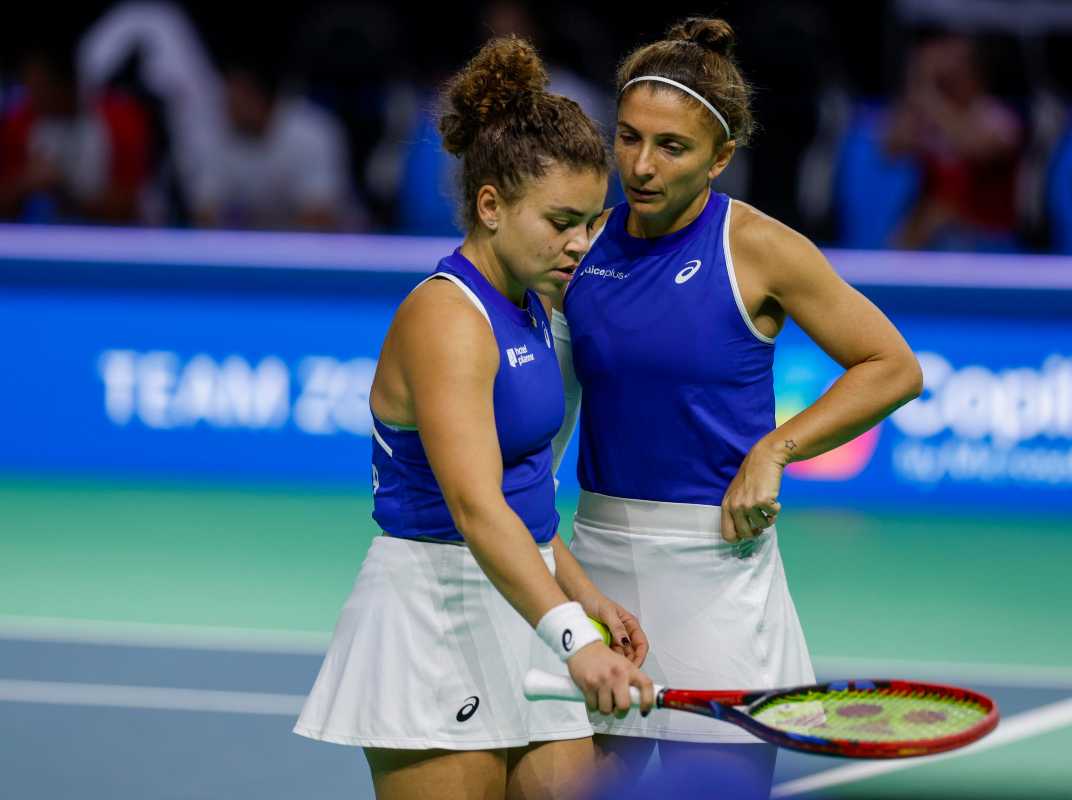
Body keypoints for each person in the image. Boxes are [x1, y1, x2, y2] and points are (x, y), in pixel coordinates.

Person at [552, 18, 923, 797]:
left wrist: (774, 450)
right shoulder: (579, 244)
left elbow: (891, 365)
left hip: (717, 573)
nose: (641, 166)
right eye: (628, 139)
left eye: (672, 147)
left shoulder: (757, 247)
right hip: (596, 565)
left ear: (721, 158)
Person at [294, 36, 653, 800]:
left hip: (523, 596)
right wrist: (572, 636)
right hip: (436, 615)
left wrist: (584, 596)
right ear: (490, 205)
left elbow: (527, 498)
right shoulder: (447, 318)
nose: (581, 244)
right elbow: (475, 506)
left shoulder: (529, 311)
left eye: (591, 221)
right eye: (561, 221)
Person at [883, 33, 1023, 252]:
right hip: (933, 238)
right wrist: (918, 81)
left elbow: (974, 147)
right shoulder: (930, 118)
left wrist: (930, 97)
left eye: (957, 68)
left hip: (987, 242)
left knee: (943, 219)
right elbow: (891, 147)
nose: (950, 76)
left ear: (976, 73)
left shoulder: (999, 119)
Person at [191, 55, 356, 231]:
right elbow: (205, 214)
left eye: (235, 96)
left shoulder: (312, 132)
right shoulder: (216, 133)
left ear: (257, 97)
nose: (226, 104)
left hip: (329, 248)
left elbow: (320, 216)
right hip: (250, 249)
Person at [0, 41, 151, 224]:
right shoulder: (18, 122)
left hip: (109, 242)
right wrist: (26, 183)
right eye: (28, 86)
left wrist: (64, 188)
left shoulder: (119, 119)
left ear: (64, 85)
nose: (30, 96)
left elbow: (127, 209)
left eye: (40, 87)